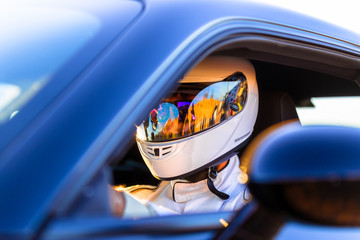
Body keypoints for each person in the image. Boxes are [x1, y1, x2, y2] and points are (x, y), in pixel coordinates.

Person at [123, 56, 258, 215]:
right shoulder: (142, 196)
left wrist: (126, 207)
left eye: (187, 110)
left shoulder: (250, 208)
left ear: (232, 110)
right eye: (162, 111)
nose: (169, 124)